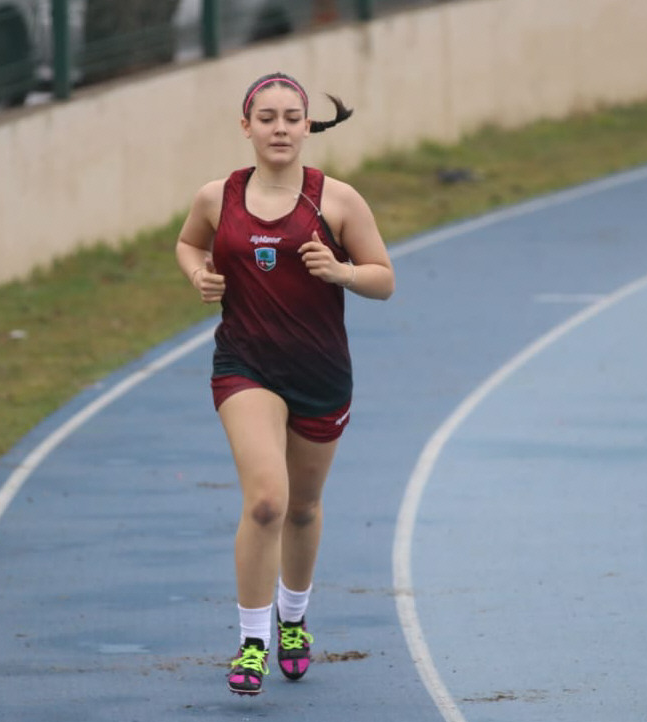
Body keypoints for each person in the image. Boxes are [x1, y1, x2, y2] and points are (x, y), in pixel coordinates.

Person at [175, 71, 394, 696]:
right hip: (245, 366)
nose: (279, 127)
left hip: (321, 373)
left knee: (301, 508)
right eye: (266, 117)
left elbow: (385, 278)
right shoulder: (218, 197)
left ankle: (293, 619)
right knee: (267, 499)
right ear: (246, 126)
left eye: (290, 117)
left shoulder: (338, 201)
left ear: (307, 126)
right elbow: (188, 245)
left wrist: (342, 271)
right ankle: (252, 642)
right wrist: (199, 277)